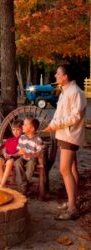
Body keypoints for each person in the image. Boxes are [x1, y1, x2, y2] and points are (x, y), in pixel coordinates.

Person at [43, 64, 87, 220]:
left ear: (65, 76)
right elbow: (61, 113)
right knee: (72, 168)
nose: (55, 76)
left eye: (57, 74)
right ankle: (72, 201)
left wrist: (55, 125)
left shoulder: (76, 92)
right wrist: (52, 125)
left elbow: (75, 117)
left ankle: (73, 208)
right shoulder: (65, 91)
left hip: (70, 136)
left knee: (64, 169)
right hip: (64, 135)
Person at [14, 117, 44, 194]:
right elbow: (19, 149)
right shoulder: (22, 137)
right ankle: (24, 186)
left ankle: (23, 186)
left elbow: (39, 152)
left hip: (32, 158)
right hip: (23, 157)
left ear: (32, 128)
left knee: (31, 164)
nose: (22, 126)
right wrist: (20, 152)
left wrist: (30, 155)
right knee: (17, 163)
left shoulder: (37, 139)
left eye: (25, 125)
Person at [0, 119, 23, 188]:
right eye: (13, 130)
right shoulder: (9, 139)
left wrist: (13, 155)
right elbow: (4, 148)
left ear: (22, 130)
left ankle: (1, 185)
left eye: (17, 130)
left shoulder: (23, 139)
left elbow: (21, 151)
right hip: (6, 155)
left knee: (9, 163)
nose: (15, 132)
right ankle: (3, 184)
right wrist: (4, 153)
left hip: (15, 156)